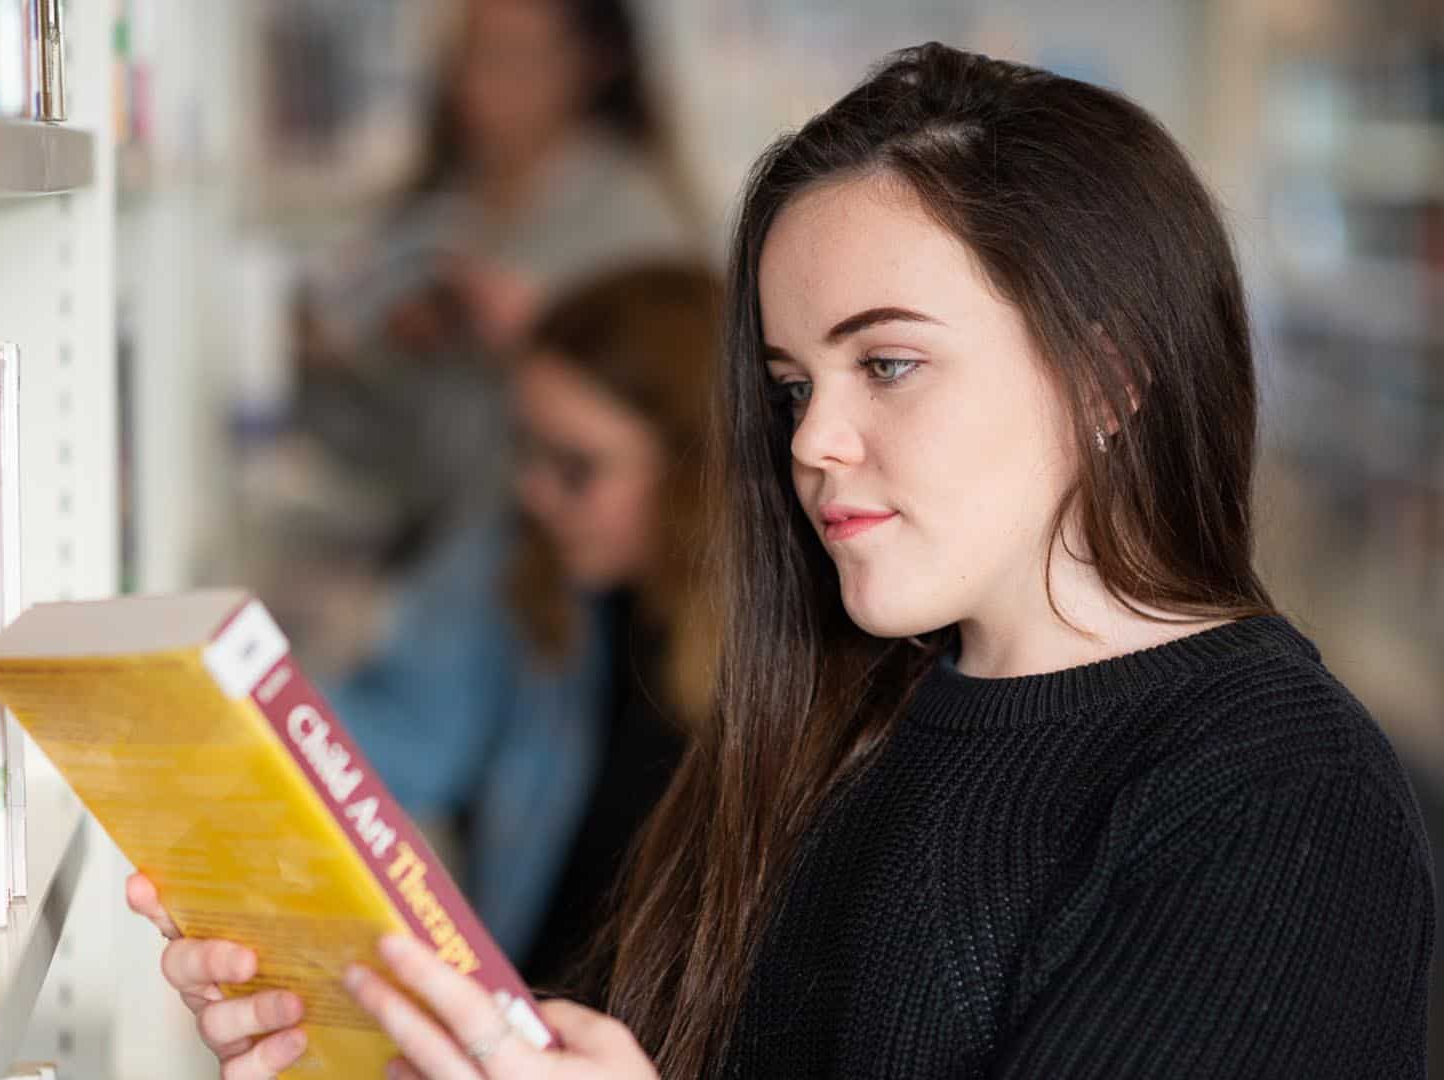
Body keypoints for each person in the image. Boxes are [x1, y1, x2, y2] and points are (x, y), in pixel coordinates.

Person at [130, 43, 1438, 1079]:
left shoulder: (1279, 801)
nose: (813, 439)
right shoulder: (828, 717)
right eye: (792, 381)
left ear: (1106, 375)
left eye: (889, 364)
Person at [324, 262, 722, 994]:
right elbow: (386, 746)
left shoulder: (779, 672)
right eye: (526, 450)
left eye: (576, 467)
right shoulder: (535, 575)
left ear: (698, 470)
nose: (535, 492)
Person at [283, 0, 703, 586]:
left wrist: (539, 333)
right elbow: (386, 441)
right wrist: (341, 351)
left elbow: (685, 422)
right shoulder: (435, 210)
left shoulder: (641, 224)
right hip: (441, 555)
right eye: (467, 56)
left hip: (553, 576)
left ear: (595, 64)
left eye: (512, 58)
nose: (478, 85)